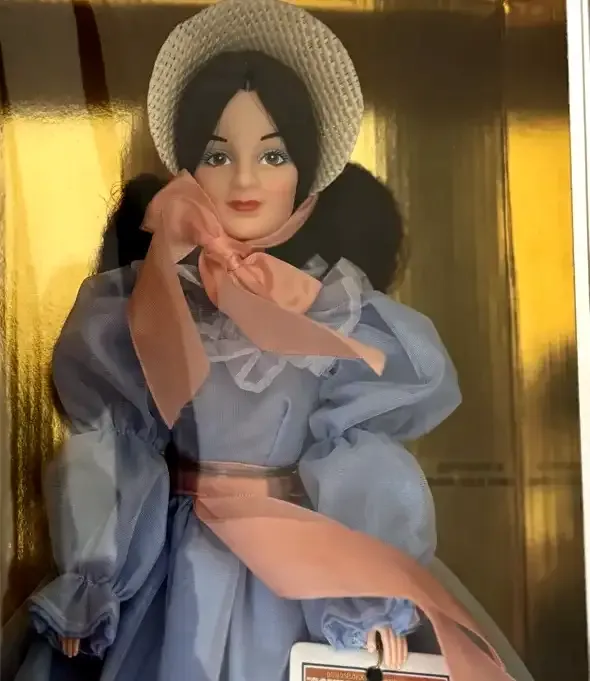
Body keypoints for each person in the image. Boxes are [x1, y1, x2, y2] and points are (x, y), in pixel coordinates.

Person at [15, 2, 514, 680]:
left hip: (300, 570)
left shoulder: (331, 311)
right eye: (218, 155)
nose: (245, 179)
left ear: (305, 170)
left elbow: (360, 462)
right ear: (188, 168)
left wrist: (367, 596)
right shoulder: (150, 302)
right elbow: (115, 447)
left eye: (272, 155)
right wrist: (94, 580)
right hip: (177, 566)